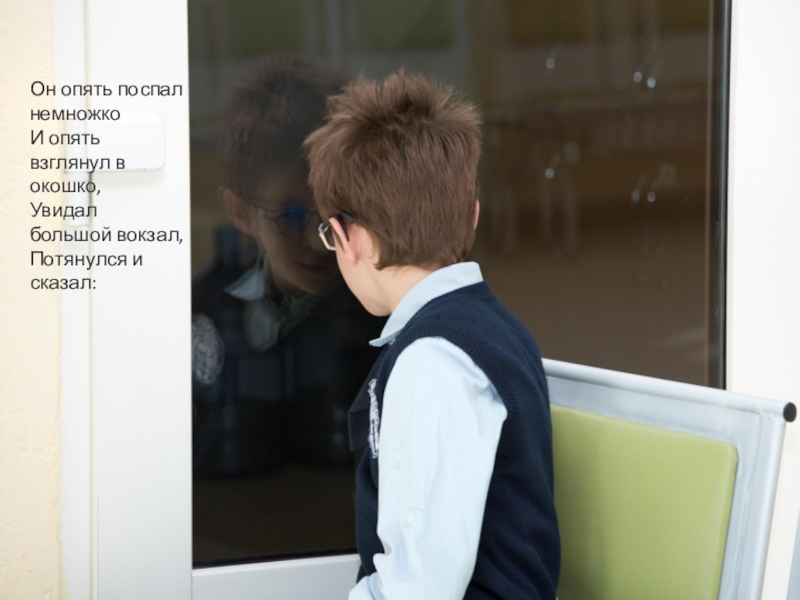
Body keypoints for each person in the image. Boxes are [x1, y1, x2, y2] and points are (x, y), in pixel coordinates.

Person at [304, 71, 561, 598]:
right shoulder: (494, 330)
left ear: (353, 240)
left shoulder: (432, 363)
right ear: (473, 216)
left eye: (330, 236)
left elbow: (422, 585)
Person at [191, 55, 384, 479]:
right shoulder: (204, 309)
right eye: (291, 216)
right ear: (241, 212)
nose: (318, 238)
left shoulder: (382, 313)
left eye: (336, 212)